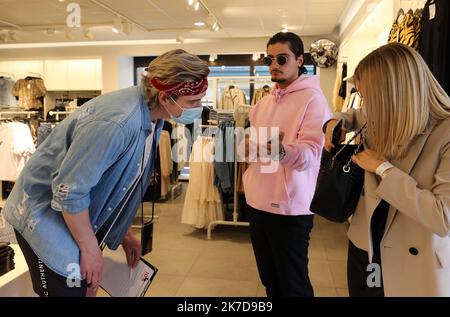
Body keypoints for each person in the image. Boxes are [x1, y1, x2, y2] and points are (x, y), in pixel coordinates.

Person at [3, 49, 209, 297]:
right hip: (43, 215)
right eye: (193, 102)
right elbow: (70, 191)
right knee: (72, 289)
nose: (198, 107)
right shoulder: (117, 122)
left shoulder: (154, 116)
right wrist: (90, 250)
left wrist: (122, 232)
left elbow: (116, 181)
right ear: (165, 97)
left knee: (86, 287)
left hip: (71, 214)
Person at [324, 42, 450, 296]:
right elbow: (355, 114)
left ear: (393, 94)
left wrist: (383, 169)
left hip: (412, 256)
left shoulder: (444, 133)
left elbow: (443, 217)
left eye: (368, 96)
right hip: (365, 247)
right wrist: (337, 121)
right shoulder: (381, 115)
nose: (365, 104)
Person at [239, 32, 332, 297]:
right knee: (270, 280)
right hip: (257, 202)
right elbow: (258, 152)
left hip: (291, 209)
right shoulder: (262, 104)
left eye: (282, 58)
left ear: (299, 60)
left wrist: (280, 152)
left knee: (293, 285)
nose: (274, 65)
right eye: (270, 59)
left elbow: (313, 156)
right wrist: (247, 149)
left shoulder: (314, 100)